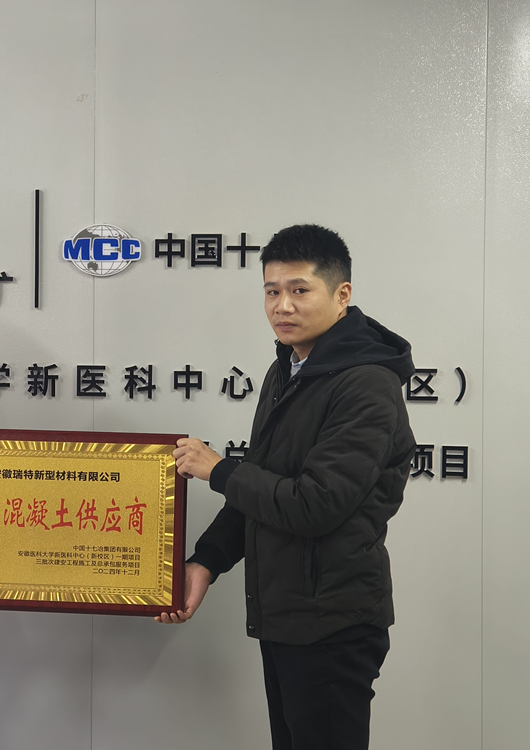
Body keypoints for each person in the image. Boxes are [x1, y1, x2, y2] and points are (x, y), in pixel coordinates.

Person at [159, 224, 415, 750]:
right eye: (272, 291)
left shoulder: (367, 384)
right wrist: (204, 562)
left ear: (342, 295)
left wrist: (218, 470)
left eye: (300, 289)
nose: (283, 306)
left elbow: (315, 504)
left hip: (332, 624)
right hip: (286, 616)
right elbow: (261, 485)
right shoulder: (289, 369)